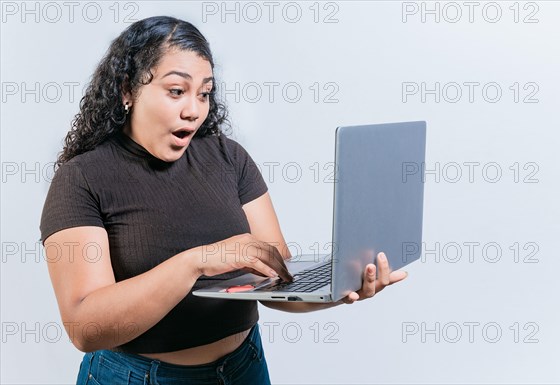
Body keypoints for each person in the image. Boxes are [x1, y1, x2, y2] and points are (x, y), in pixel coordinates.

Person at [39, 16, 408, 384]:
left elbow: (277, 279)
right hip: (138, 377)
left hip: (243, 367)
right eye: (175, 91)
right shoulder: (81, 178)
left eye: (204, 93)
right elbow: (84, 328)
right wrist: (196, 263)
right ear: (127, 90)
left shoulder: (228, 157)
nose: (194, 110)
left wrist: (341, 287)